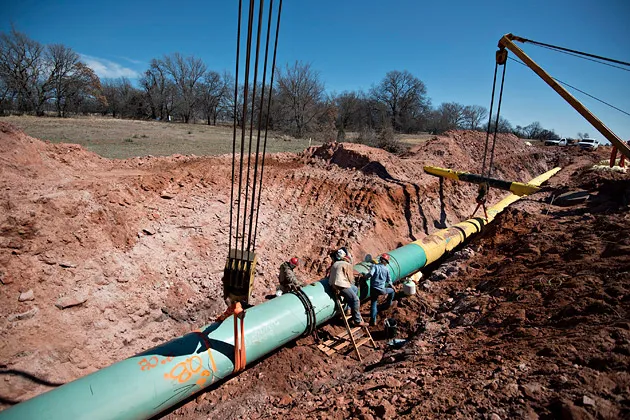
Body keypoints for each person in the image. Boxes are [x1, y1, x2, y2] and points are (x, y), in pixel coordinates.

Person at [328, 248, 367, 327]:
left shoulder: (335, 264)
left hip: (333, 285)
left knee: (354, 289)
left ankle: (348, 309)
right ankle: (357, 321)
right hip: (341, 285)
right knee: (356, 300)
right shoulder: (346, 264)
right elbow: (350, 279)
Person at [368, 253, 395, 326]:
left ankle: (373, 320)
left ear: (380, 260)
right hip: (382, 290)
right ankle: (388, 304)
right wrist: (392, 286)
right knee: (392, 291)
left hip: (373, 289)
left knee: (373, 302)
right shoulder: (386, 269)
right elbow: (389, 281)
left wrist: (365, 277)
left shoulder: (374, 266)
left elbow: (370, 274)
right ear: (385, 262)